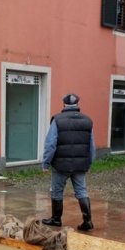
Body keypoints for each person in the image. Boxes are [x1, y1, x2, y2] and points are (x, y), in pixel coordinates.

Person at [41, 93, 95, 231]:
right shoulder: (87, 120)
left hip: (61, 165)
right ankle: (87, 221)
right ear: (77, 104)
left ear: (64, 105)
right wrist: (89, 162)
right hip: (80, 165)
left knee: (57, 191)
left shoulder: (57, 120)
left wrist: (46, 163)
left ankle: (56, 219)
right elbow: (91, 145)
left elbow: (50, 144)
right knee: (82, 191)